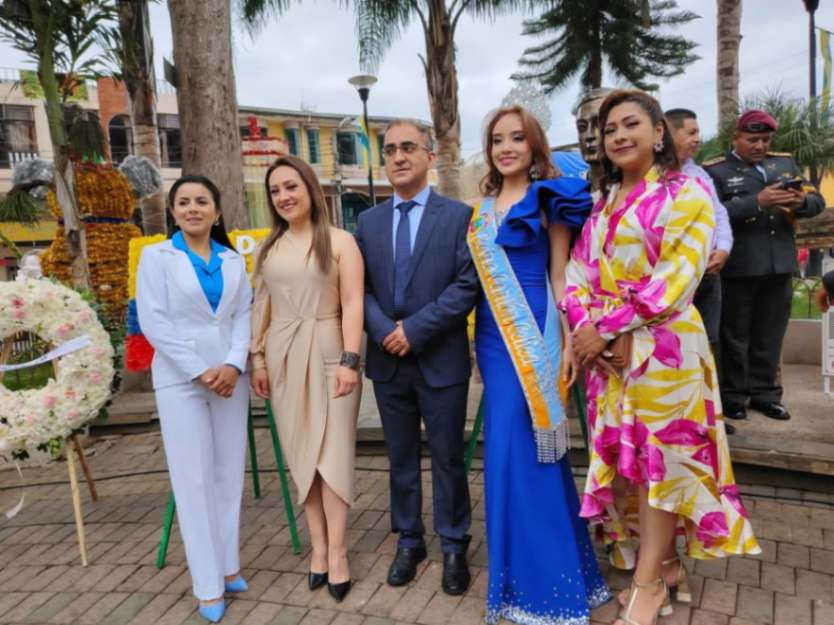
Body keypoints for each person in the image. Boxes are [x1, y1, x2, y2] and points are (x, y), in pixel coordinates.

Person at [562, 90, 760, 625]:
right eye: (610, 130)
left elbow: (676, 279)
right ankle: (666, 564)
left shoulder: (687, 194)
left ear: (658, 134)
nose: (620, 136)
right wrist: (588, 330)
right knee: (632, 467)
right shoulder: (602, 203)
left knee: (663, 465)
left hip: (666, 350)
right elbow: (577, 274)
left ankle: (647, 585)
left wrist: (603, 330)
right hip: (613, 356)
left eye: (632, 124)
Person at [469, 105, 610, 625]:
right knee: (504, 451)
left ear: (533, 146)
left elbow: (559, 279)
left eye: (517, 138)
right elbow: (479, 287)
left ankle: (555, 585)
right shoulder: (478, 210)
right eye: (497, 140)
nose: (506, 147)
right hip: (491, 336)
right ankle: (514, 581)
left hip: (539, 333)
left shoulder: (550, 199)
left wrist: (570, 341)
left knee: (534, 452)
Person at [355, 120, 479, 595]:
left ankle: (452, 544)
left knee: (448, 457)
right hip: (389, 361)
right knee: (400, 457)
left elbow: (467, 285)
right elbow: (358, 289)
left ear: (429, 156)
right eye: (389, 150)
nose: (399, 156)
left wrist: (416, 330)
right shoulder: (367, 222)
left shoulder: (459, 217)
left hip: (440, 358)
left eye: (409, 147)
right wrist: (387, 331)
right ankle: (410, 540)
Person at [136, 175, 252, 623]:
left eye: (202, 201)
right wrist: (201, 370)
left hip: (229, 379)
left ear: (217, 212)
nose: (193, 208)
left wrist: (232, 365)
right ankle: (206, 585)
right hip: (182, 379)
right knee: (193, 480)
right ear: (173, 211)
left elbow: (243, 315)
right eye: (183, 202)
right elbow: (154, 321)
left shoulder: (232, 260)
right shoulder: (157, 257)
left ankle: (228, 567)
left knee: (227, 474)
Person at [250, 156, 364, 603]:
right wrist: (257, 359)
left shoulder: (339, 242)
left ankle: (338, 553)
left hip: (330, 350)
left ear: (310, 188)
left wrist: (350, 359)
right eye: (276, 190)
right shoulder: (269, 249)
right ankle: (317, 548)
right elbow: (263, 307)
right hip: (282, 357)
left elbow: (353, 303)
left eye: (291, 186)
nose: (284, 196)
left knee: (332, 455)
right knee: (303, 456)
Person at [704, 110, 825, 421]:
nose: (759, 145)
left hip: (779, 264)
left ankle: (765, 395)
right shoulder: (716, 172)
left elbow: (817, 202)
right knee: (735, 334)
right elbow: (712, 214)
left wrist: (801, 203)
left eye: (764, 139)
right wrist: (758, 201)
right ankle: (733, 396)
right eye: (752, 139)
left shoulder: (783, 164)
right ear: (736, 138)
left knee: (769, 334)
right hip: (739, 266)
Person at [665, 108, 736, 436]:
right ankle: (677, 414)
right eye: (691, 132)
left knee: (708, 343)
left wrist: (722, 247)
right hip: (674, 282)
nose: (697, 139)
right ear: (669, 132)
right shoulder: (653, 177)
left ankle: (709, 415)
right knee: (676, 345)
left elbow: (719, 213)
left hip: (708, 275)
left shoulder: (700, 175)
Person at [574, 87, 615, 190]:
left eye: (598, 124)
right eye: (582, 127)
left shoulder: (644, 189)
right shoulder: (570, 190)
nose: (589, 135)